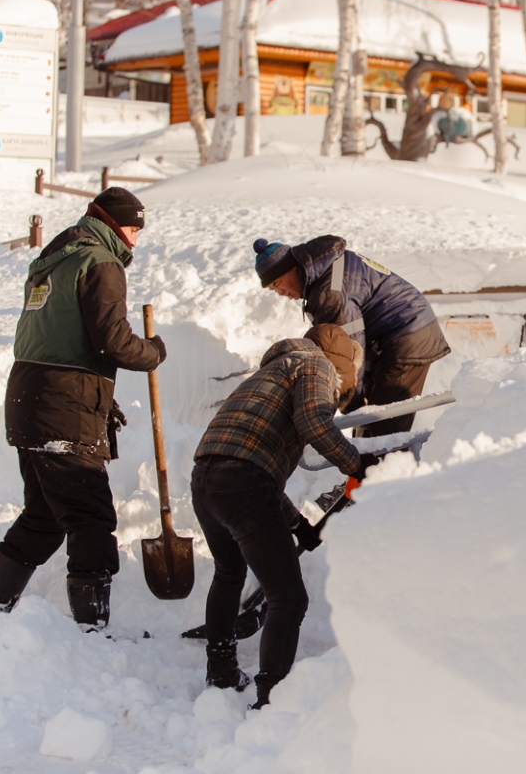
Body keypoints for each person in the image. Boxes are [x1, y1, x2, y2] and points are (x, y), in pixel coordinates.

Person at [0, 188, 167, 629]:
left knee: (45, 514)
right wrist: (153, 351)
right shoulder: (101, 263)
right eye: (132, 229)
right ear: (112, 222)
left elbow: (62, 340)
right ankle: (90, 629)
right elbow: (113, 340)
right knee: (90, 516)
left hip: (30, 397)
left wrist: (99, 392)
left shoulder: (54, 258)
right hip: (64, 405)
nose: (135, 241)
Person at [191, 324, 378, 708]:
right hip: (243, 482)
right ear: (342, 366)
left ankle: (222, 672)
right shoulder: (316, 365)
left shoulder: (269, 374)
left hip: (206, 479)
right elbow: (313, 423)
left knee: (229, 573)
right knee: (288, 598)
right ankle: (271, 698)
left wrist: (298, 526)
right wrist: (357, 464)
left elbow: (255, 472)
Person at [253, 235, 450, 436]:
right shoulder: (326, 270)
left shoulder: (329, 292)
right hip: (396, 335)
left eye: (277, 283)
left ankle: (388, 465)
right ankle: (376, 460)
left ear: (292, 268)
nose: (280, 292)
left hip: (407, 335)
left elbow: (346, 353)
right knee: (372, 424)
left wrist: (351, 406)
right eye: (273, 289)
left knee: (384, 430)